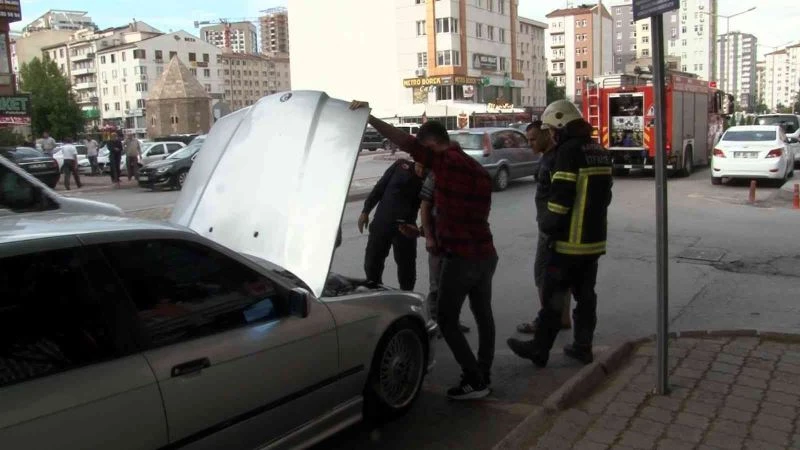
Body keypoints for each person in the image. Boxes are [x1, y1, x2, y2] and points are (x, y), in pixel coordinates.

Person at [351, 100, 497, 401]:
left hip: (463, 258)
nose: (419, 156)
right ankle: (484, 373)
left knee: (445, 318)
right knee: (484, 316)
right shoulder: (476, 170)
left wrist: (371, 117)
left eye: (423, 149)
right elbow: (462, 219)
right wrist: (419, 232)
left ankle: (475, 379)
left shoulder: (447, 163)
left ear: (432, 144)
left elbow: (403, 140)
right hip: (484, 253)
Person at [507, 100, 613, 368]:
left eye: (553, 129)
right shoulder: (598, 149)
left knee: (553, 298)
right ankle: (582, 347)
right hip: (593, 241)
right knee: (586, 297)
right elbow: (607, 194)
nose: (552, 134)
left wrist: (549, 228)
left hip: (568, 243)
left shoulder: (568, 152)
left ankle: (539, 349)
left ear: (562, 126)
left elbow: (560, 199)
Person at [516, 121, 572, 335]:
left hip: (550, 227)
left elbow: (560, 195)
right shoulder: (552, 157)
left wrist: (549, 224)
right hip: (554, 225)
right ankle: (563, 318)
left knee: (542, 275)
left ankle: (547, 320)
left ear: (547, 135)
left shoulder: (554, 159)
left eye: (533, 139)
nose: (530, 143)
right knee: (560, 275)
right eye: (527, 139)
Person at [358, 158, 425, 291]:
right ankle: (375, 290)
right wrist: (366, 211)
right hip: (382, 222)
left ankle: (406, 296)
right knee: (372, 262)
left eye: (425, 168)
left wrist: (422, 228)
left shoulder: (430, 179)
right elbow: (380, 188)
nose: (421, 171)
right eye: (419, 166)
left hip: (406, 228)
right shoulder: (400, 166)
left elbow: (430, 207)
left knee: (407, 267)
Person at [417, 171, 471, 334]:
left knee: (455, 285)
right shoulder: (434, 176)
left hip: (458, 242)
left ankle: (452, 321)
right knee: (437, 286)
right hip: (439, 241)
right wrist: (429, 237)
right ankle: (435, 322)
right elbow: (425, 206)